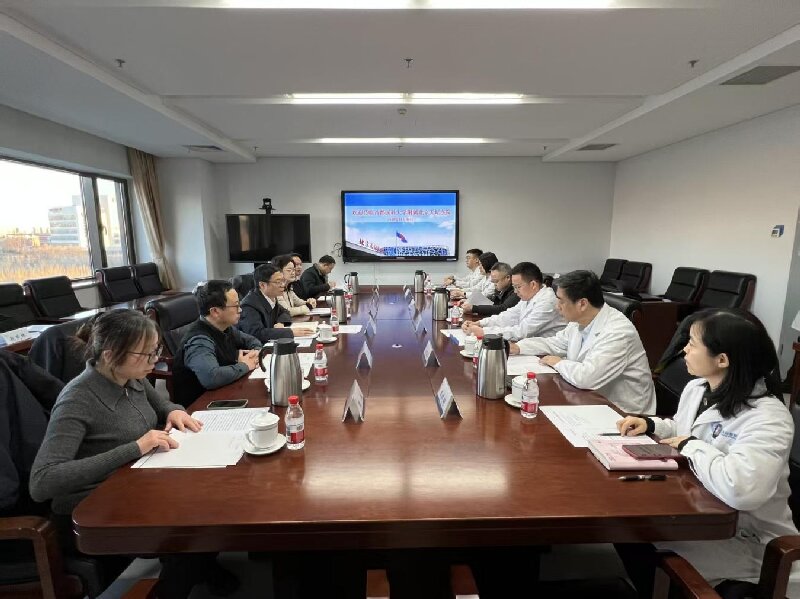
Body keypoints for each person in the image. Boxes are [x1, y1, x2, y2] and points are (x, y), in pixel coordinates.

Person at [29, 309, 237, 599]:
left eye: (156, 351)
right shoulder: (77, 399)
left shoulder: (131, 378)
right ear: (110, 355)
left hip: (137, 480)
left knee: (214, 498)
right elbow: (42, 481)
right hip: (94, 502)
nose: (154, 361)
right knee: (192, 524)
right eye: (147, 354)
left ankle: (202, 566)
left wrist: (175, 411)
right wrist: (135, 448)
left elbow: (162, 405)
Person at [615, 309, 799, 597]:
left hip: (745, 537)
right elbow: (685, 427)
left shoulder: (768, 418)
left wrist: (691, 445)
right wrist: (652, 425)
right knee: (627, 528)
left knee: (635, 535)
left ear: (722, 360)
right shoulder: (698, 388)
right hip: (696, 507)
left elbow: (741, 490)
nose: (684, 350)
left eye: (692, 344)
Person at [510, 269, 655, 414]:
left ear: (582, 304)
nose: (557, 306)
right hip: (589, 398)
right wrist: (518, 347)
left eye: (561, 301)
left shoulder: (618, 331)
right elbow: (555, 343)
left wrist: (558, 363)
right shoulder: (579, 320)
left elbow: (587, 378)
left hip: (625, 412)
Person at [172, 280, 263, 408]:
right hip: (201, 406)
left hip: (226, 393)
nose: (240, 309)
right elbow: (211, 377)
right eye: (236, 306)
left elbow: (252, 341)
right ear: (215, 311)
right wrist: (244, 365)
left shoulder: (225, 327)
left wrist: (255, 352)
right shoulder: (199, 341)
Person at [463, 262, 565, 342]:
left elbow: (522, 331)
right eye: (514, 287)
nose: (515, 292)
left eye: (518, 287)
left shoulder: (547, 302)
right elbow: (510, 315)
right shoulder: (530, 296)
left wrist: (484, 332)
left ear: (533, 284)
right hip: (530, 345)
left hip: (545, 354)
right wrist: (481, 323)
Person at [238, 264, 315, 343]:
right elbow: (256, 333)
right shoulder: (249, 305)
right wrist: (290, 332)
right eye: (278, 282)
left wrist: (280, 322)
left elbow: (285, 312)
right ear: (262, 285)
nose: (283, 285)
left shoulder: (271, 297)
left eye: (283, 281)